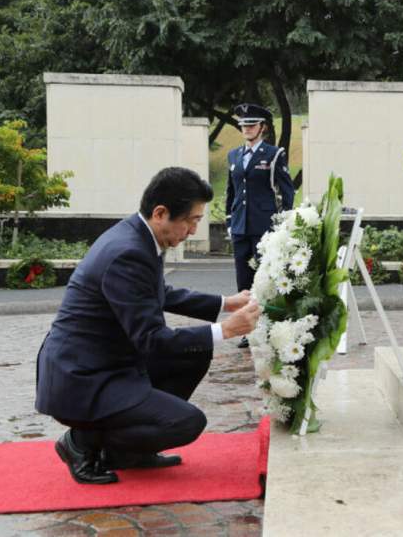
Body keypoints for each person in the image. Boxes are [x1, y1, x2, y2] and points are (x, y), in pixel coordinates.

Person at [35, 167, 263, 485]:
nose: (193, 230)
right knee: (187, 423)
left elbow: (159, 293)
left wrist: (225, 303)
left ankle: (128, 453)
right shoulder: (128, 251)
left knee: (193, 353)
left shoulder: (137, 236)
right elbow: (154, 341)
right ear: (161, 213)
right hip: (82, 377)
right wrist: (226, 330)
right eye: (192, 220)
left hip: (107, 364)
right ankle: (81, 442)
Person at [226, 103, 295, 348]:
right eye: (243, 125)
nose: (246, 129)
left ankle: (266, 327)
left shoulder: (273, 154)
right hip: (240, 226)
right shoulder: (233, 155)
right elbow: (231, 191)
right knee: (243, 280)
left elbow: (287, 192)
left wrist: (283, 224)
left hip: (264, 226)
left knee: (264, 279)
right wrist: (228, 220)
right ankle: (248, 329)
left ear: (262, 127)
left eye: (251, 124)